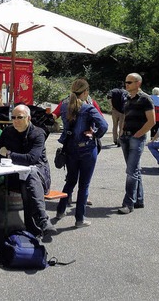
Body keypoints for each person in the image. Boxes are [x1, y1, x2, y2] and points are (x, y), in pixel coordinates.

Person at [0, 104, 57, 238]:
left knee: (30, 175)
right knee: (25, 180)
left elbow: (32, 159)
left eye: (20, 117)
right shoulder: (8, 132)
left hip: (40, 176)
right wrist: (14, 157)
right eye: (13, 117)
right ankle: (38, 223)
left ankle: (39, 223)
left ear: (28, 118)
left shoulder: (38, 133)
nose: (16, 120)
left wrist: (9, 154)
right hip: (14, 176)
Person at [54, 79, 107, 228]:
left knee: (70, 182)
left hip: (70, 149)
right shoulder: (88, 108)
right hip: (87, 149)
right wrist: (94, 134)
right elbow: (104, 125)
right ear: (85, 92)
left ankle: (60, 211)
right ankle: (79, 219)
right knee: (84, 185)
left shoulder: (64, 106)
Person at [118, 73, 155, 215]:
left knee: (131, 171)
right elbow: (125, 117)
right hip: (125, 138)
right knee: (134, 169)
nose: (126, 85)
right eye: (125, 82)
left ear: (138, 83)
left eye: (129, 82)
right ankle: (139, 199)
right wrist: (121, 132)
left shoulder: (145, 99)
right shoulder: (127, 98)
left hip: (136, 138)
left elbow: (151, 121)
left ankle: (128, 204)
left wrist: (139, 134)